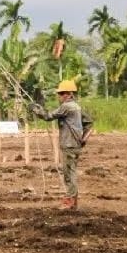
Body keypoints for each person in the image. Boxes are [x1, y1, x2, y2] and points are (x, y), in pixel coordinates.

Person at [29, 79, 93, 210]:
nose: (59, 96)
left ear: (69, 94)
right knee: (71, 172)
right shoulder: (77, 107)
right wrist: (83, 139)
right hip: (74, 145)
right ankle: (73, 202)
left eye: (62, 93)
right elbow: (89, 123)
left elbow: (48, 116)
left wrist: (36, 109)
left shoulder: (67, 107)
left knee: (69, 174)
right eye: (60, 93)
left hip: (69, 145)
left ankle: (69, 202)